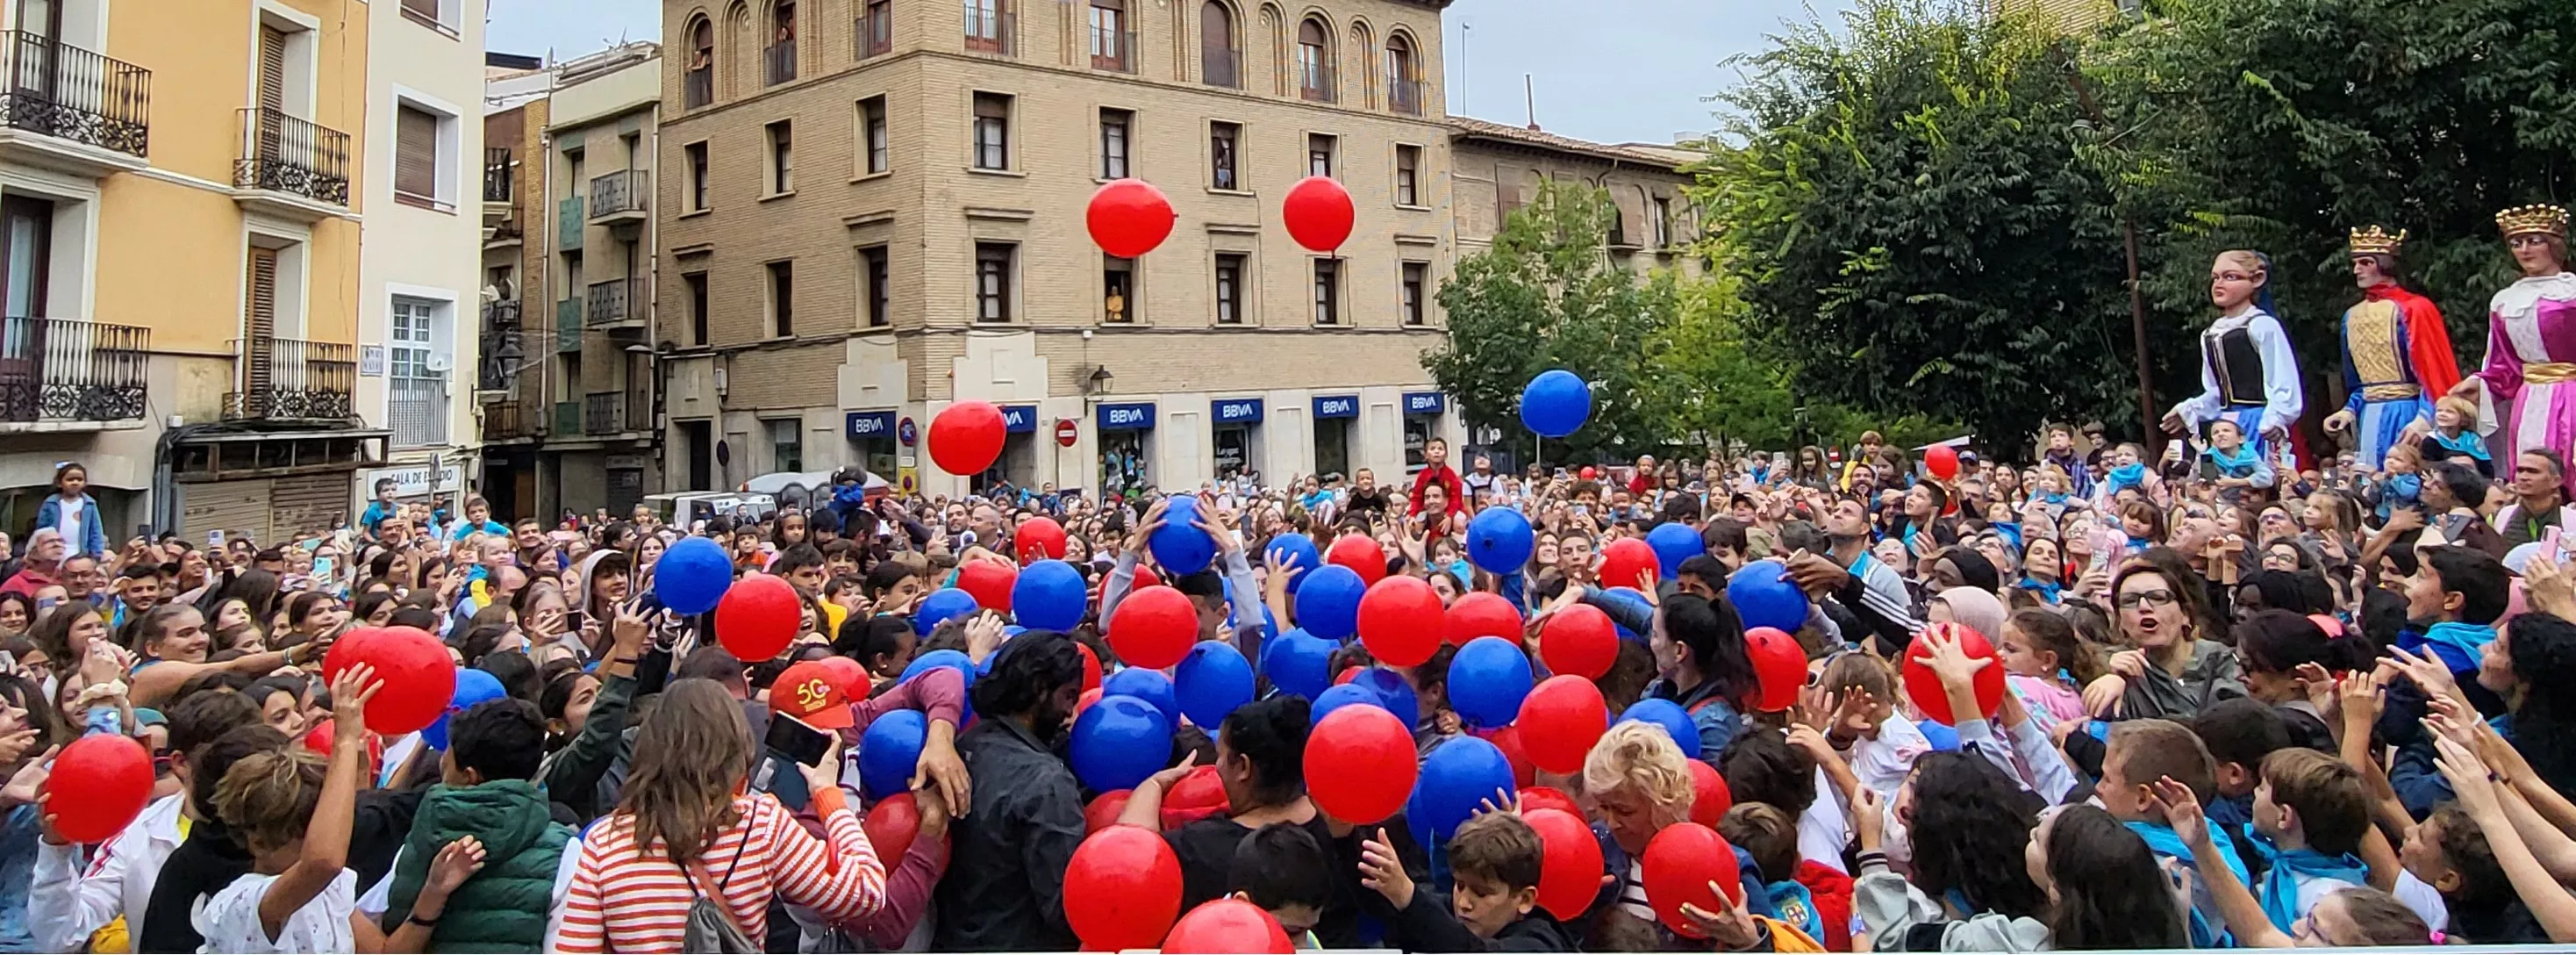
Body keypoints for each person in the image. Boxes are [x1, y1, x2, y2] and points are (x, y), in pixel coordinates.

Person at [554, 679, 886, 952]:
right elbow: (867, 894)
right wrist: (829, 796)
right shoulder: (761, 825)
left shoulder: (603, 842)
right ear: (735, 746)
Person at [934, 631, 1086, 951]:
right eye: (1068, 696)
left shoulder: (961, 746)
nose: (1070, 712)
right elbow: (1065, 906)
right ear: (1039, 689)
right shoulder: (1046, 782)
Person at [2454, 204, 2576, 495]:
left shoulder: (2571, 294)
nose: (2524, 250)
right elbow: (2503, 364)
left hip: (2570, 395)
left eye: (2534, 241)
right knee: (2528, 468)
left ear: (2554, 245)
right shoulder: (2505, 301)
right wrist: (2477, 383)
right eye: (2516, 243)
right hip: (2529, 397)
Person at [2323, 226, 2463, 471]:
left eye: (2366, 262)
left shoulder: (2416, 308)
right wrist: (2349, 410)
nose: (2357, 270)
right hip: (2369, 415)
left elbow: (2433, 373)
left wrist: (2425, 417)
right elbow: (2359, 382)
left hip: (2407, 411)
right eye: (2356, 263)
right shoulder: (2352, 316)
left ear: (2385, 264)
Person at [1357, 810, 1573, 951]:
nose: (1463, 904)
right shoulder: (1448, 912)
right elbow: (1383, 907)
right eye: (1459, 886)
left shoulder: (1540, 943)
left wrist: (1407, 895)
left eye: (1481, 893)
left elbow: (1469, 951)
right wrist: (1345, 837)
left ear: (1524, 899)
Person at [2167, 249, 2304, 468]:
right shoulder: (2210, 334)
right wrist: (2191, 409)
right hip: (2222, 425)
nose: (2218, 284)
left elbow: (2282, 381)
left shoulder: (2261, 325)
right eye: (2215, 277)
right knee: (2211, 480)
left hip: (2257, 423)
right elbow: (2215, 391)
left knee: (2252, 483)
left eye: (2230, 277)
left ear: (2257, 279)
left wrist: (2277, 418)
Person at [34, 463, 107, 560]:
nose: (75, 482)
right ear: (59, 483)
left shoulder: (90, 504)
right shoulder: (50, 503)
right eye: (70, 479)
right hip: (54, 553)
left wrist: (96, 554)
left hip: (80, 554)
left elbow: (95, 531)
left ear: (85, 483)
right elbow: (41, 529)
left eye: (79, 479)